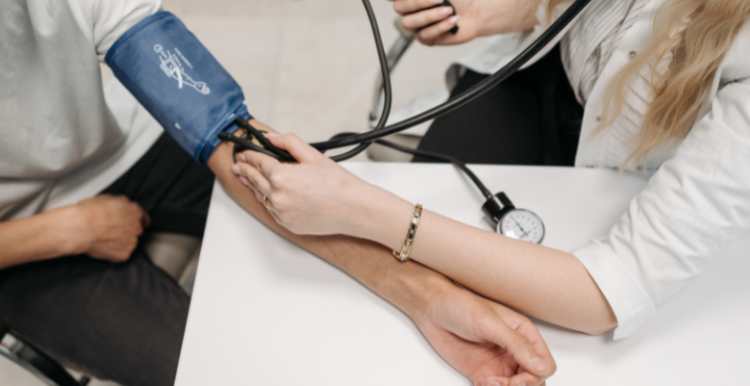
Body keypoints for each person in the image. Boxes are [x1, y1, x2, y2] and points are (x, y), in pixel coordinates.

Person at [0, 1, 556, 385]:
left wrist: (426, 296)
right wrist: (68, 229)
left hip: (124, 143)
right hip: (21, 243)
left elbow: (228, 136)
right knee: (223, 373)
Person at [230, 0, 750, 351]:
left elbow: (608, 293)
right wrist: (518, 9)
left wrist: (356, 206)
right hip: (537, 82)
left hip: (615, 180)